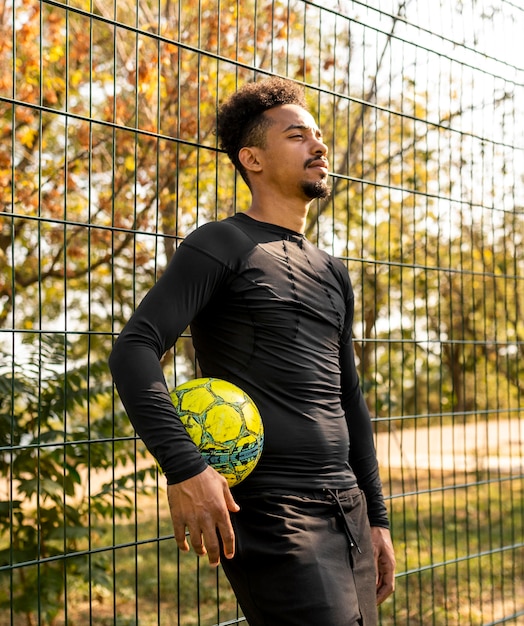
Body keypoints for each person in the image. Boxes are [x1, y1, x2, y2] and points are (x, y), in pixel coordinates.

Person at [109, 76, 395, 626]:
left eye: (318, 135)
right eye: (296, 136)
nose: (319, 145)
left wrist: (377, 518)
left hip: (348, 508)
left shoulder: (333, 271)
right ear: (252, 159)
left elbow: (349, 398)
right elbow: (134, 350)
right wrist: (186, 468)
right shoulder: (221, 243)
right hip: (274, 514)